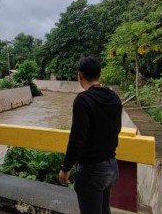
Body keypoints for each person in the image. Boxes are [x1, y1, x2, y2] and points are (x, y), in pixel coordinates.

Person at [58, 57, 122, 214]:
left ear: (79, 75)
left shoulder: (83, 100)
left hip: (92, 171)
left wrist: (65, 168)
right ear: (99, 74)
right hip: (111, 165)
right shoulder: (113, 97)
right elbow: (117, 129)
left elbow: (77, 139)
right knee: (104, 209)